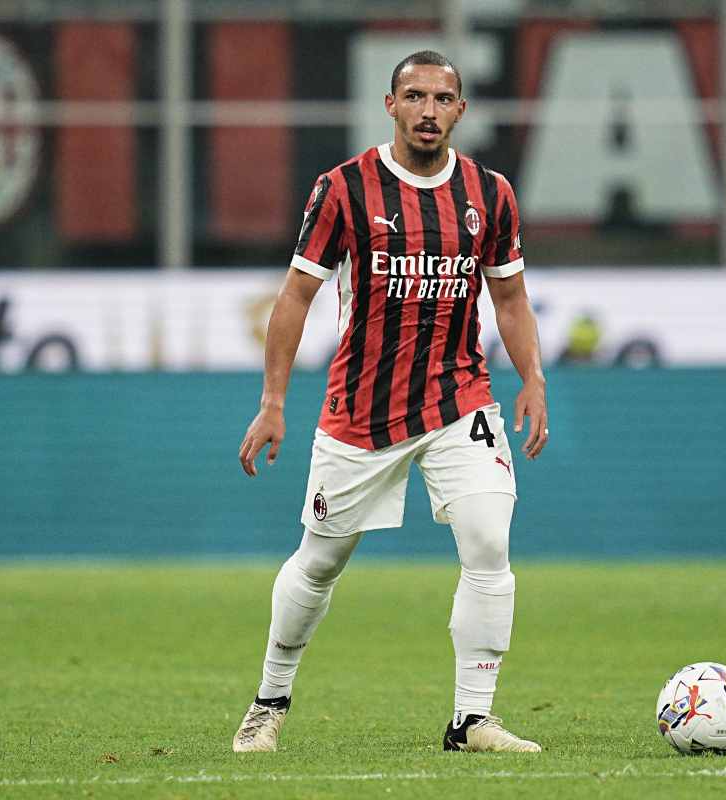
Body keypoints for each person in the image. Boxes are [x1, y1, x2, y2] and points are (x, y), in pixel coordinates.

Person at [233, 51, 548, 754]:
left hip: (459, 399)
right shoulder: (344, 189)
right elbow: (296, 296)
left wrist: (533, 377)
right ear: (391, 105)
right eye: (414, 96)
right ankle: (269, 701)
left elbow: (510, 297)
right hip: (362, 412)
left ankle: (472, 720)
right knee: (320, 562)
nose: (428, 110)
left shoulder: (491, 194)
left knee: (489, 540)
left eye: (442, 98)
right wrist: (273, 400)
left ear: (461, 110)